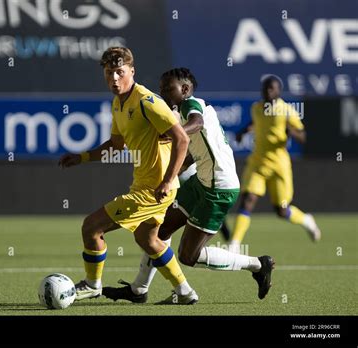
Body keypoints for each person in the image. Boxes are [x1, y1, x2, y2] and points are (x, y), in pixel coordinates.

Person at [103, 68, 275, 304]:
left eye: (168, 88)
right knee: (159, 231)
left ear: (184, 89)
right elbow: (197, 151)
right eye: (161, 88)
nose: (163, 92)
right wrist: (173, 171)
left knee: (188, 256)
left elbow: (196, 122)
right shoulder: (184, 111)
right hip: (201, 183)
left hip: (218, 189)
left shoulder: (189, 105)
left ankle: (257, 265)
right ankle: (138, 289)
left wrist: (174, 135)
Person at [59, 48, 198, 305]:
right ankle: (185, 291)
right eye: (109, 72)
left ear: (132, 72)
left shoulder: (147, 101)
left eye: (119, 72)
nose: (114, 78)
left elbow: (182, 138)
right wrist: (83, 157)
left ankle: (92, 285)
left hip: (155, 189)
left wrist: (168, 181)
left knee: (91, 227)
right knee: (148, 240)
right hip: (147, 185)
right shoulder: (118, 103)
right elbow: (116, 144)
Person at [230, 75, 321, 253]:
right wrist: (243, 132)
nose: (268, 91)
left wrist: (291, 131)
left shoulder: (287, 111)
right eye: (265, 88)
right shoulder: (257, 108)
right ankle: (235, 244)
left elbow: (303, 136)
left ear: (279, 91)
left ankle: (307, 220)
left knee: (282, 210)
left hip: (279, 165)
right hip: (258, 162)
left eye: (272, 88)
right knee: (248, 200)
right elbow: (255, 123)